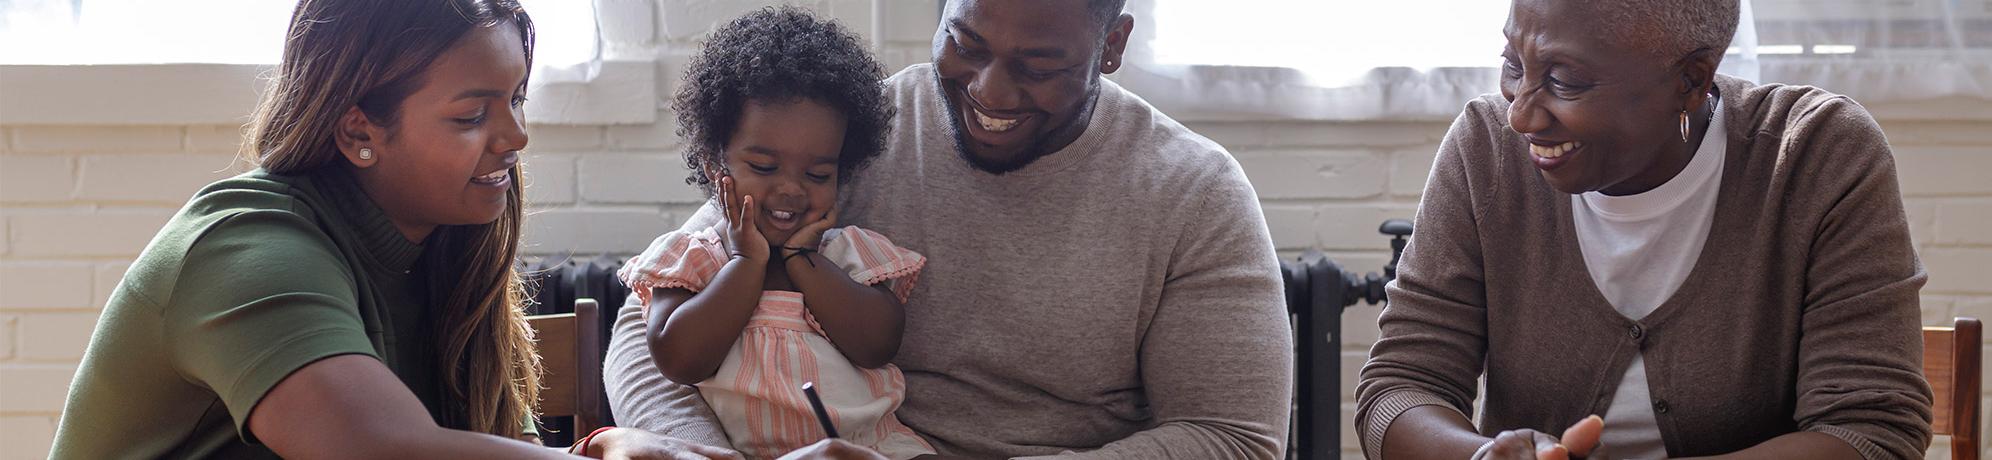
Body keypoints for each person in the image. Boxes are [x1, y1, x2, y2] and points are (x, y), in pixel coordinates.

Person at [603, 0, 1295, 458]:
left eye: (1038, 66)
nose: (990, 92)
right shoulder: (854, 132)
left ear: (1112, 45)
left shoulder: (1193, 191)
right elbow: (645, 327)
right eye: (965, 43)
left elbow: (1232, 437)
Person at [49, 0, 734, 458]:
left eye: (517, 97)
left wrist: (596, 445)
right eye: (472, 115)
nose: (516, 135)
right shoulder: (244, 249)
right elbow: (380, 449)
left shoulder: (447, 245)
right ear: (358, 130)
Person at [1356, 0, 1933, 459]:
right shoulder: (1486, 152)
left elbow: (1870, 432)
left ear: (1690, 80)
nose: (1521, 114)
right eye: (1514, 65)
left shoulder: (1816, 157)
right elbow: (1400, 385)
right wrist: (1480, 457)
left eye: (1564, 80)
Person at [616, 8, 931, 459]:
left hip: (870, 449)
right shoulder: (695, 262)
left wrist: (805, 263)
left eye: (819, 174)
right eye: (764, 167)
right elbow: (678, 361)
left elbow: (878, 345)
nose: (791, 189)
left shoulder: (850, 255)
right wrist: (747, 264)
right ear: (714, 164)